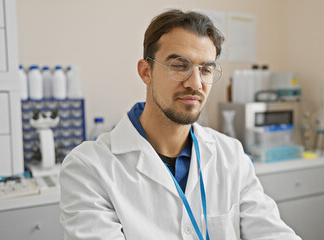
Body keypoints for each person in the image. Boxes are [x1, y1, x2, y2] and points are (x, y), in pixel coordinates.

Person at [59, 9, 301, 240]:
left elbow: (272, 232)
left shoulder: (231, 156)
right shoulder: (88, 168)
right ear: (146, 72)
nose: (195, 83)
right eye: (179, 66)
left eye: (206, 69)